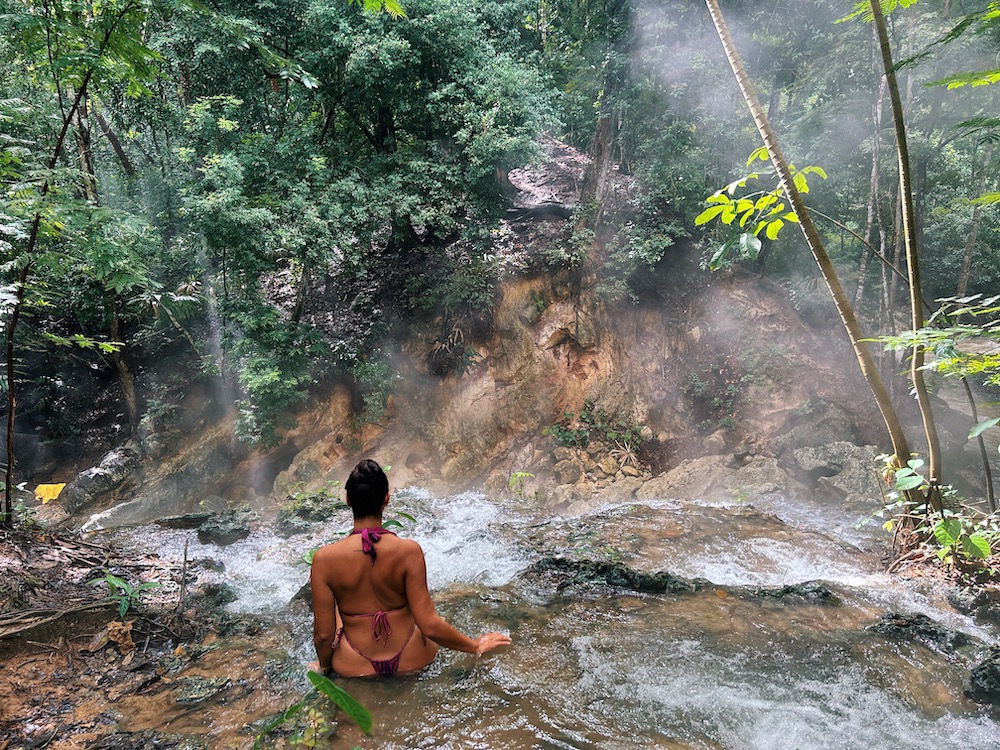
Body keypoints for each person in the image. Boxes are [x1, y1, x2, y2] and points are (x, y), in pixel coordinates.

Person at [310, 458, 511, 677]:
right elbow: (429, 624)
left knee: (338, 612)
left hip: (354, 663)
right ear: (386, 499)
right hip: (412, 656)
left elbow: (323, 635)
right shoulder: (408, 551)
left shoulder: (324, 559)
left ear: (348, 500)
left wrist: (325, 666)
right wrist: (475, 645)